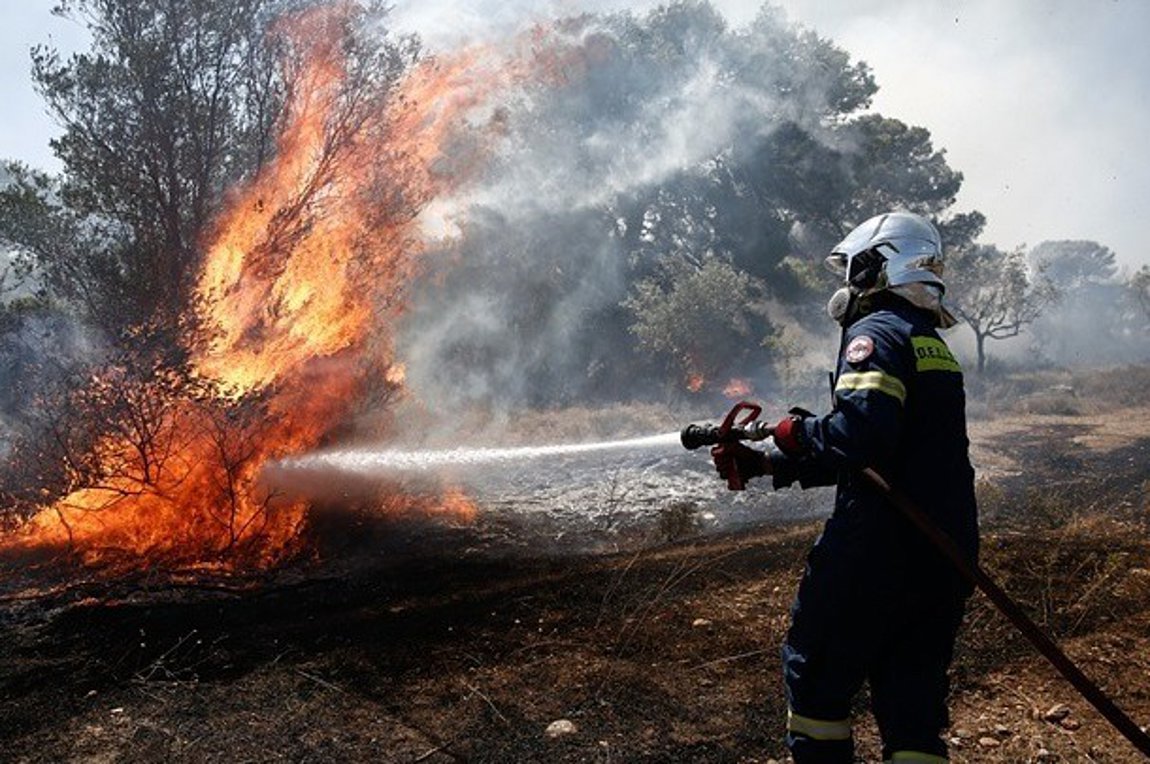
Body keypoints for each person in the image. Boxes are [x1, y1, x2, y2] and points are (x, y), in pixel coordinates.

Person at [712, 211, 979, 763]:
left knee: (817, 684)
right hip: (942, 554)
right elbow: (888, 455)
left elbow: (860, 437)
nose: (847, 283)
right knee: (912, 710)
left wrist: (795, 431)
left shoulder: (874, 333)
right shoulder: (929, 342)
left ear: (874, 267)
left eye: (852, 269)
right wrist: (770, 466)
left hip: (877, 551)